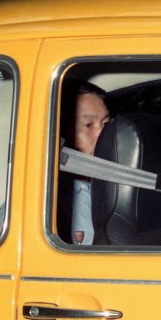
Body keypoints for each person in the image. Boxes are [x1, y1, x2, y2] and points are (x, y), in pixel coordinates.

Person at [58, 80, 110, 245]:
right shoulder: (40, 201)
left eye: (106, 124)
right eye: (89, 125)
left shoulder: (120, 189)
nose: (103, 135)